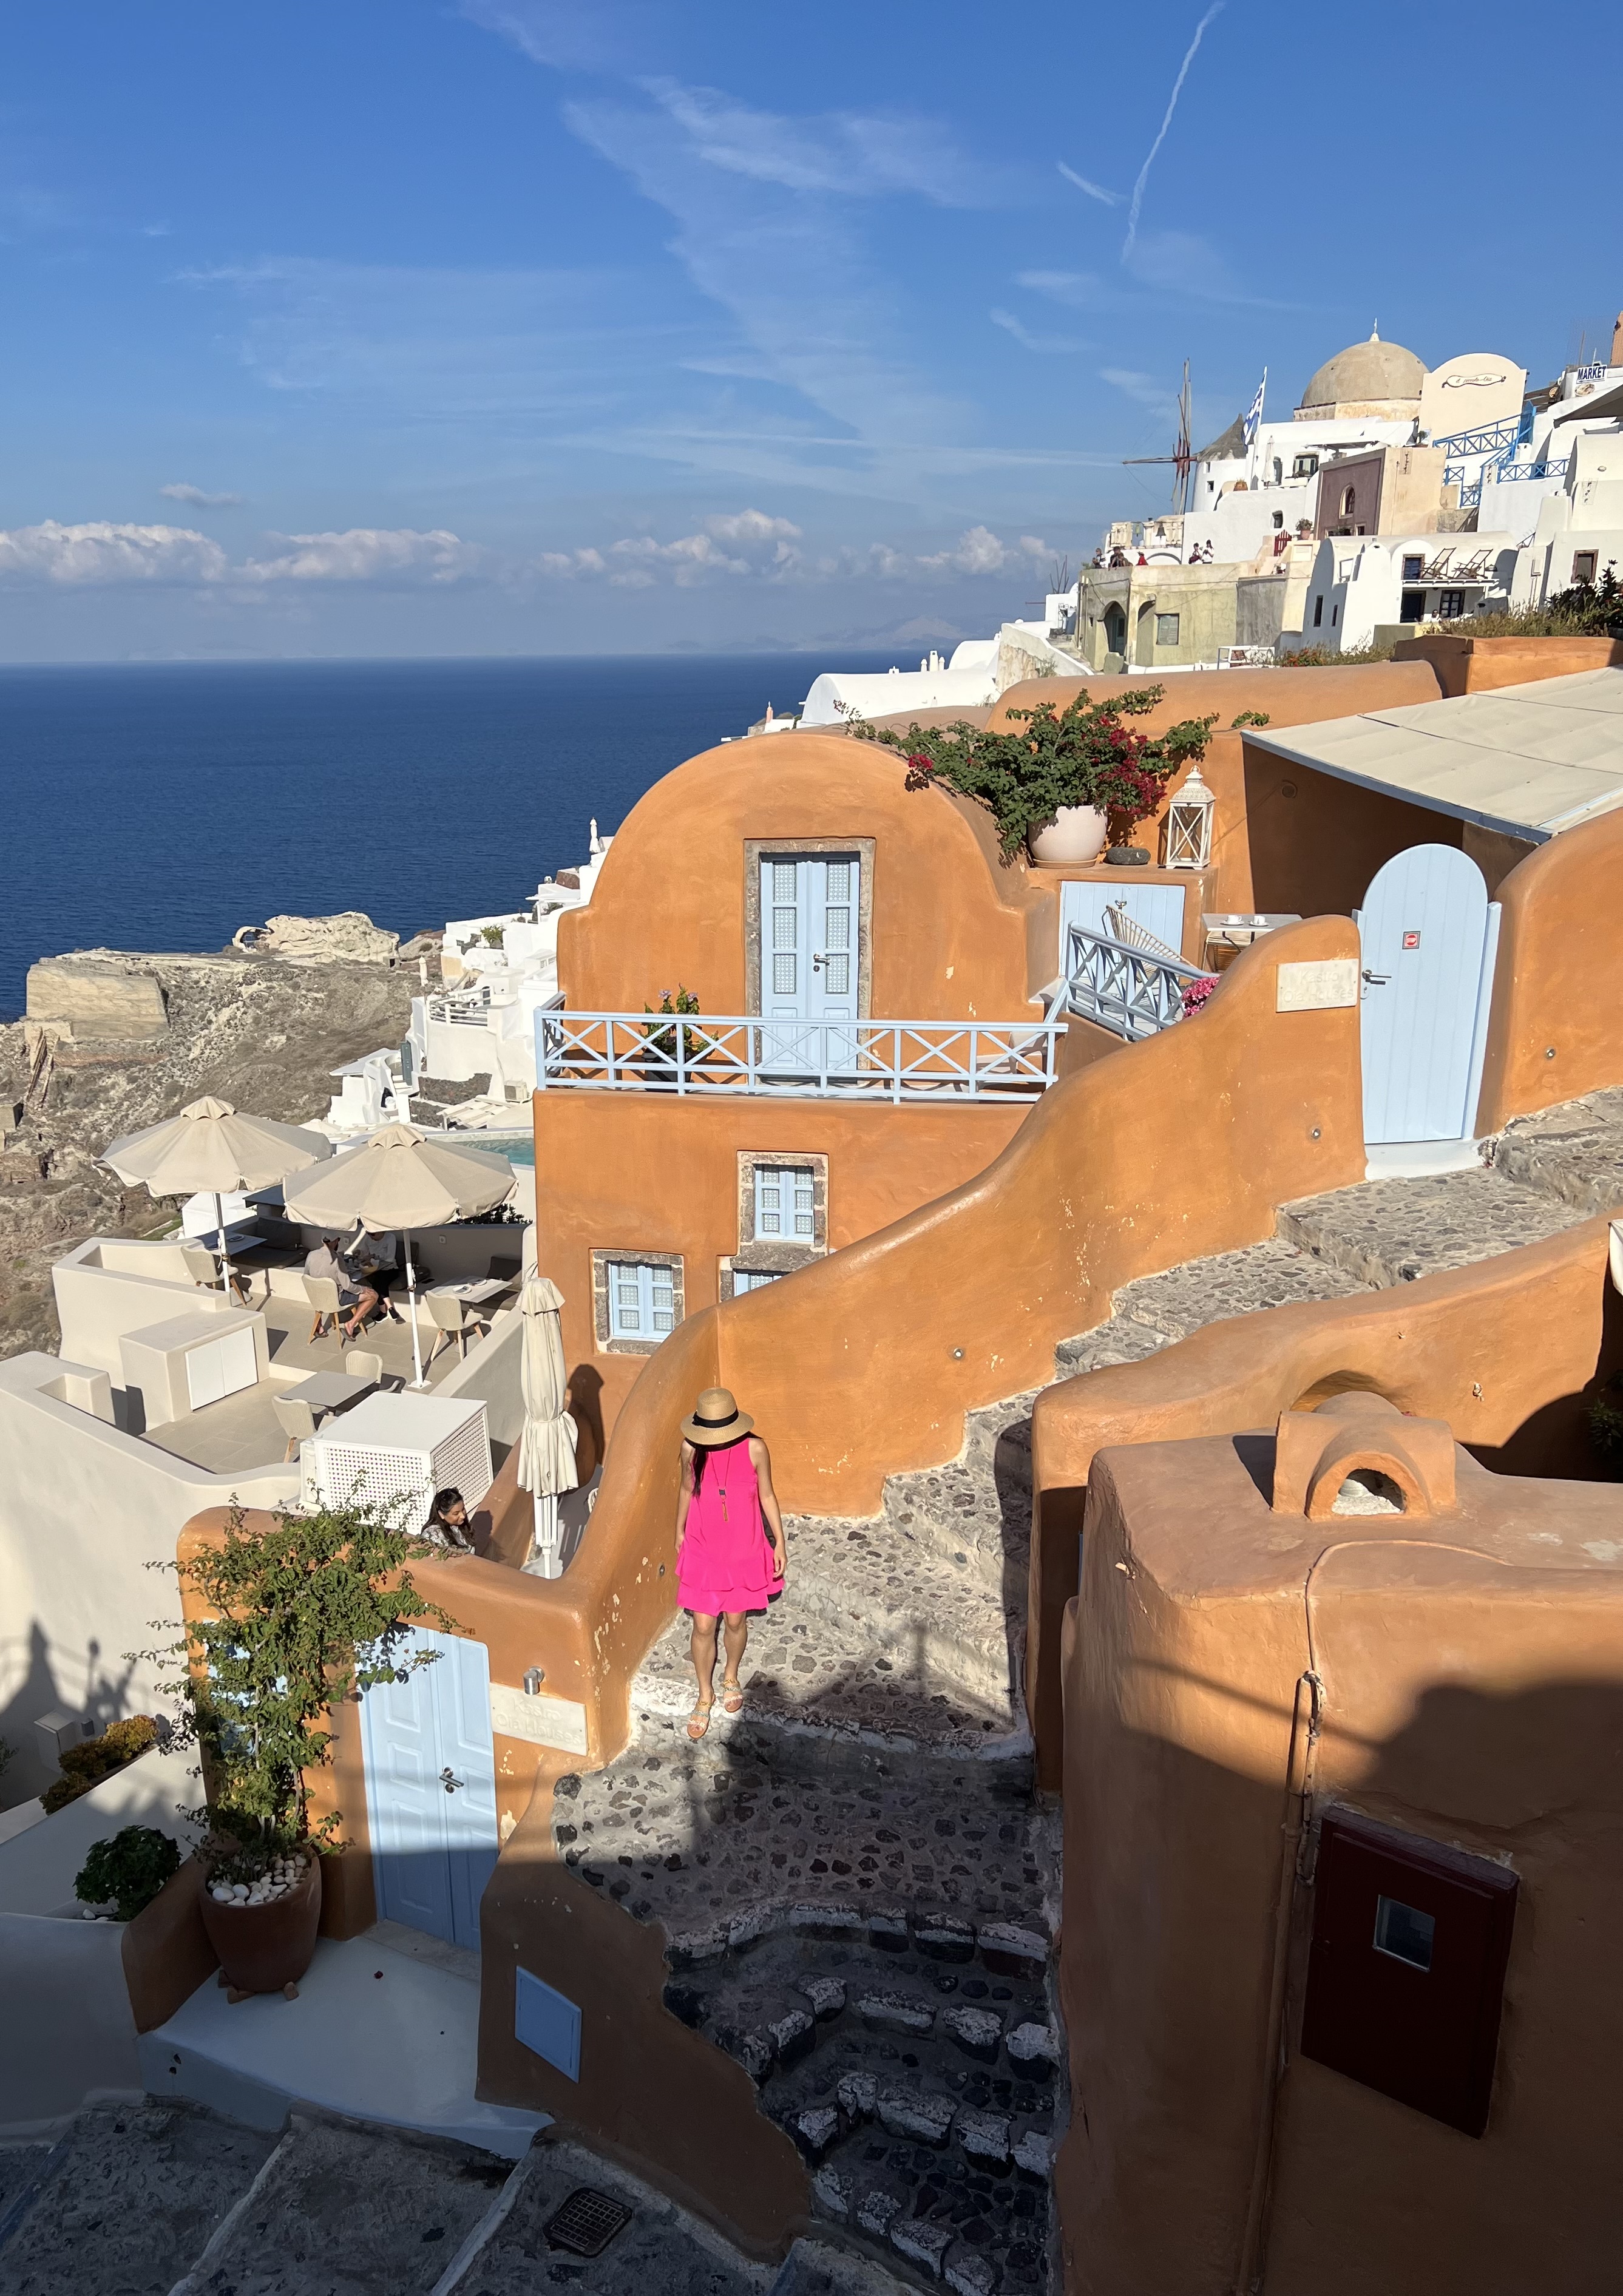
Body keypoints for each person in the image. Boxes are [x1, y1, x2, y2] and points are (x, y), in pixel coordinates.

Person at [674, 1385, 787, 1741]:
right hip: (703, 1546)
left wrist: (779, 1541)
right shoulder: (691, 1449)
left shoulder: (755, 1448)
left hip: (744, 1549)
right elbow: (685, 1489)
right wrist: (678, 1531)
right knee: (704, 1626)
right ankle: (704, 1694)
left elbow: (767, 1493)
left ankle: (731, 1676)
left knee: (736, 1621)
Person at [304, 1234, 362, 1338]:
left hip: (316, 1298)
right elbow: (347, 1286)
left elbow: (307, 1276)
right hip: (336, 1300)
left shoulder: (311, 1255)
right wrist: (363, 1289)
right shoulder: (337, 1260)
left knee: (319, 1287)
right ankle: (351, 1324)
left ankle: (319, 1326)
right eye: (338, 1240)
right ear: (335, 1241)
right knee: (373, 1295)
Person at [421, 1488, 476, 1552]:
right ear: (441, 1514)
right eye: (456, 1513)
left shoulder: (461, 1525)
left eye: (463, 1509)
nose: (463, 1516)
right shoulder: (434, 1535)